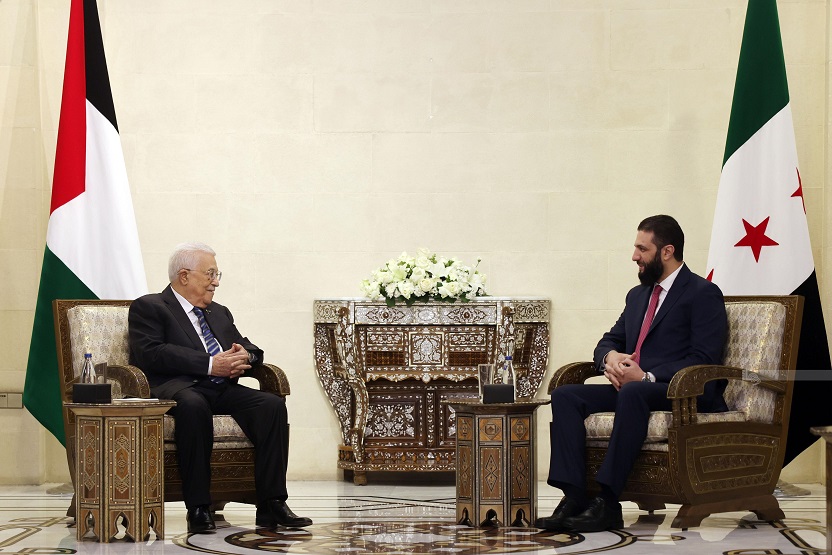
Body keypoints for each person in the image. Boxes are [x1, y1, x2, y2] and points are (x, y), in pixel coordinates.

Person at [536, 215, 728, 533]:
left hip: (684, 391)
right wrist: (610, 358)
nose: (634, 256)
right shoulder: (638, 295)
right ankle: (575, 496)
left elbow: (704, 359)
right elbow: (609, 340)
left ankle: (608, 501)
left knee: (634, 391)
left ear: (667, 251)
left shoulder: (702, 292)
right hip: (635, 390)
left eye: (642, 248)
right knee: (566, 395)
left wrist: (647, 376)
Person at [128, 242, 312, 533]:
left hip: (220, 389)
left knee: (271, 405)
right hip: (179, 388)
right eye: (210, 274)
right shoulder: (150, 306)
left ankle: (272, 502)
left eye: (217, 274)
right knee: (194, 405)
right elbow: (151, 353)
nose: (216, 282)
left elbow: (251, 347)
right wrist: (211, 364)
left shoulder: (218, 312)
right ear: (184, 276)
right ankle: (199, 507)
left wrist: (246, 356)